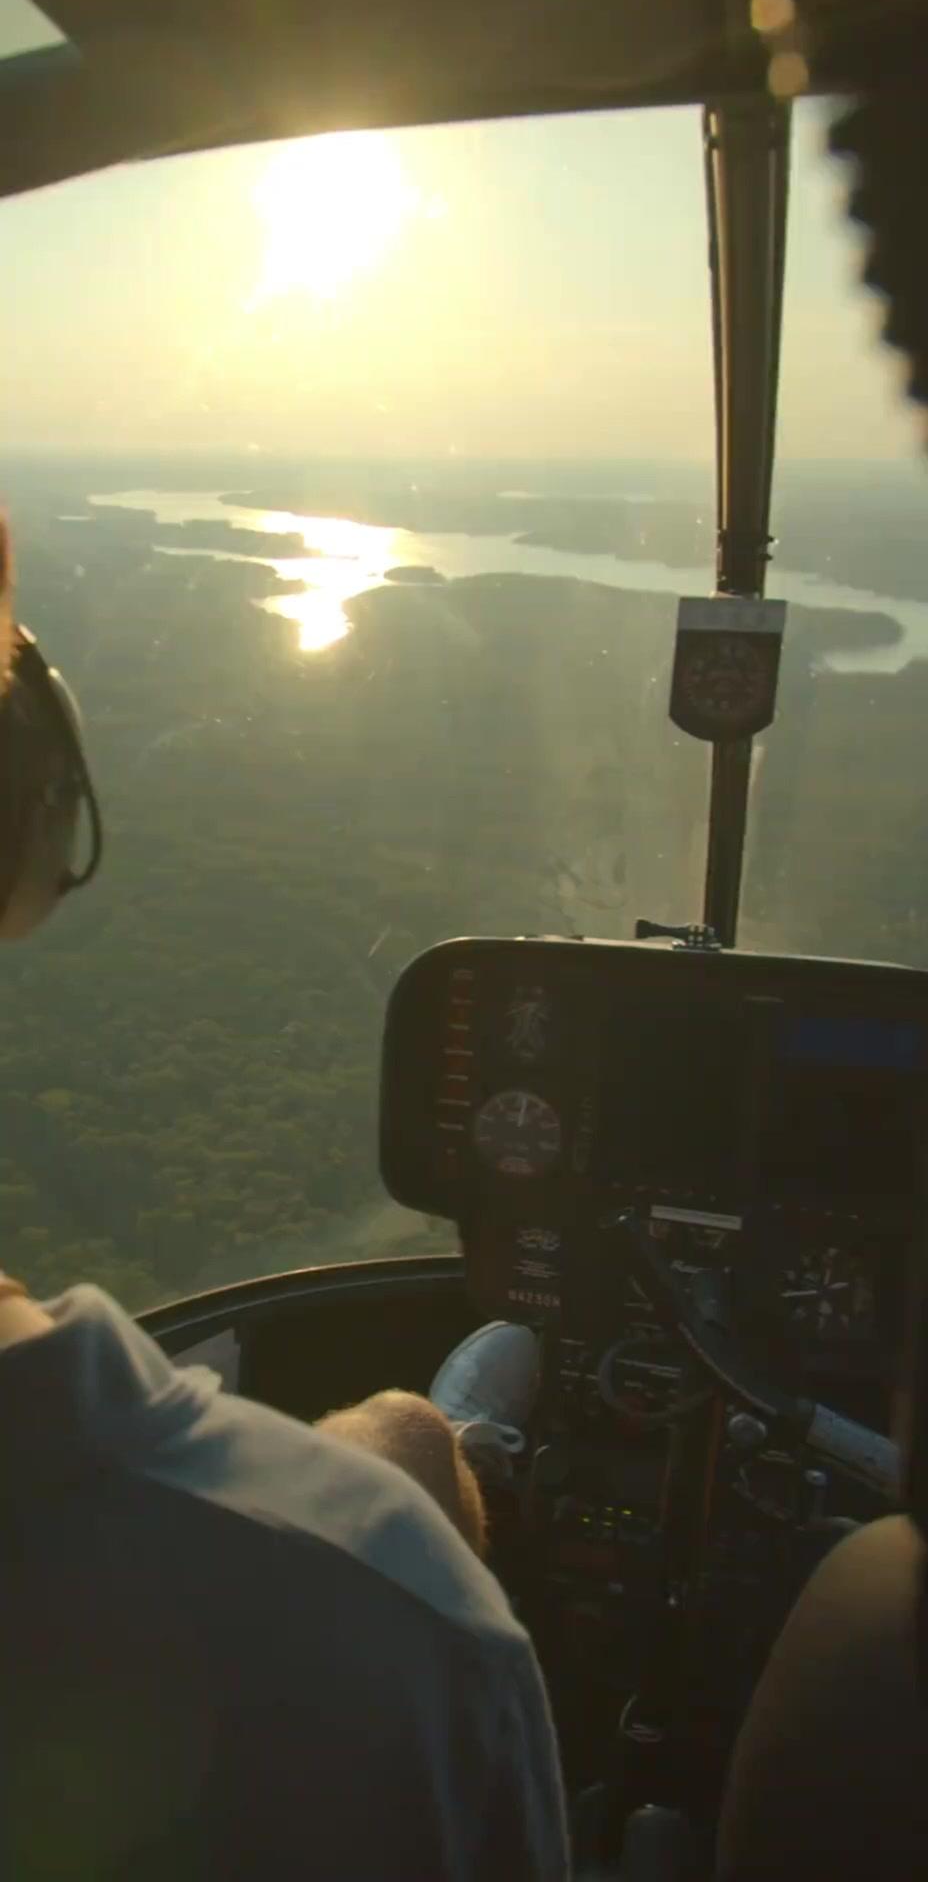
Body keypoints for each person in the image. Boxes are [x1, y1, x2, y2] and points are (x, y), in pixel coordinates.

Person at [0, 528, 568, 1882]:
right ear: (26, 798)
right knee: (418, 1439)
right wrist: (376, 1513)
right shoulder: (403, 1644)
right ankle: (465, 1434)